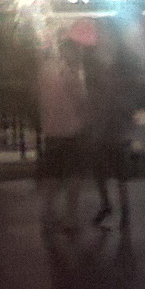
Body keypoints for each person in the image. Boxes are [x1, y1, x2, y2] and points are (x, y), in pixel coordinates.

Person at [33, 42, 89, 232]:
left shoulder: (44, 72)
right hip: (72, 130)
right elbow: (82, 101)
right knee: (74, 174)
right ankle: (70, 217)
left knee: (53, 174)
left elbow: (37, 98)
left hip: (51, 131)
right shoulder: (71, 74)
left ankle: (47, 211)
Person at [87, 46, 133, 228]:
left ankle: (109, 206)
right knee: (118, 178)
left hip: (106, 139)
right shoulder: (119, 94)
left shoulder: (101, 94)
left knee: (105, 176)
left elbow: (98, 116)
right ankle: (122, 211)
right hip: (115, 139)